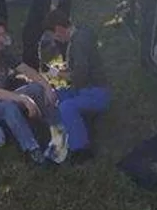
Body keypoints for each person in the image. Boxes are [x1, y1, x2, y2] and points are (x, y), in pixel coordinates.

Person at [0, 15, 67, 164]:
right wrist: (24, 99)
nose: (1, 39)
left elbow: (27, 70)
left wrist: (47, 86)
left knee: (37, 88)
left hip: (4, 96)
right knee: (8, 105)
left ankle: (58, 135)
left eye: (3, 35)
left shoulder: (2, 53)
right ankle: (32, 149)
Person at [43, 9, 109, 162]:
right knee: (55, 95)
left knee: (67, 106)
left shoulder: (78, 43)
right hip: (86, 88)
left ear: (59, 29)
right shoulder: (81, 34)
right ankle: (60, 137)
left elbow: (79, 76)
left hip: (96, 92)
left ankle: (81, 149)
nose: (55, 39)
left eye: (54, 35)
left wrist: (57, 74)